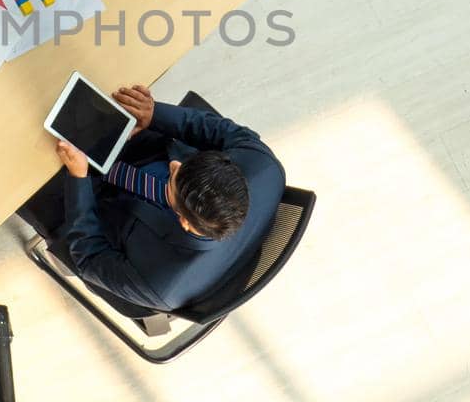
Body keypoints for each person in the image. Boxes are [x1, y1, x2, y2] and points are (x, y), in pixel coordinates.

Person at [19, 84, 284, 314]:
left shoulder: (159, 283)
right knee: (83, 101)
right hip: (149, 152)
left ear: (185, 223)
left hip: (99, 212)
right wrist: (155, 114)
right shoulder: (264, 168)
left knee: (20, 167)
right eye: (185, 164)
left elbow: (89, 256)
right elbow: (221, 131)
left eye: (174, 180)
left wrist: (78, 178)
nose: (175, 166)